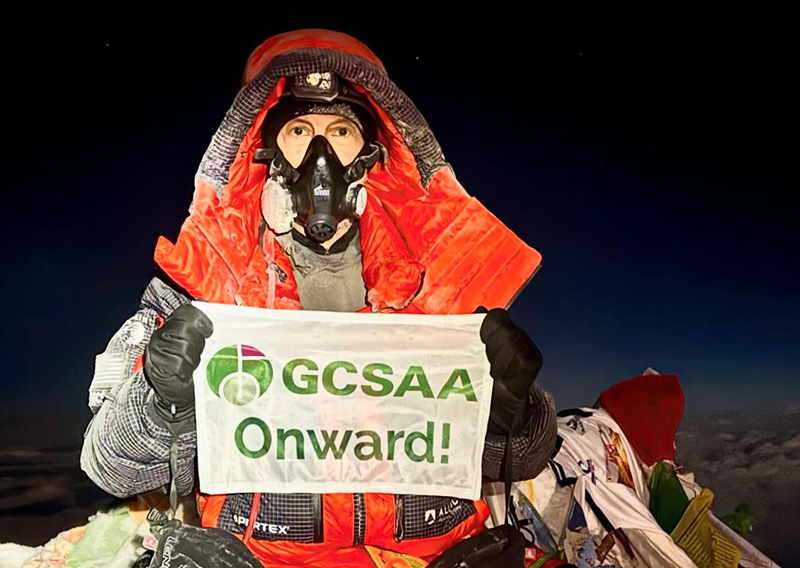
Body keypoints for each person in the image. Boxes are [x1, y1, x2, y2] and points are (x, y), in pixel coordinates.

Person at [81, 29, 558, 568]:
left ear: (373, 153)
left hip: (431, 555)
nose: (321, 153)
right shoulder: (202, 286)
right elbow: (109, 465)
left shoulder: (440, 284)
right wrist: (162, 400)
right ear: (264, 149)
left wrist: (512, 412)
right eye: (300, 129)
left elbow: (526, 457)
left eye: (342, 130)